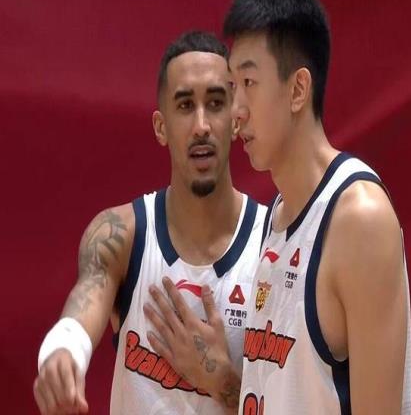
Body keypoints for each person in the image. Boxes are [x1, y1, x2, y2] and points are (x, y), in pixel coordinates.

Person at [146, 0, 411, 414]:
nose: (236, 111)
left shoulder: (358, 218)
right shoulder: (279, 216)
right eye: (233, 87)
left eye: (249, 82)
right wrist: (221, 379)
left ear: (298, 89)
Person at [33, 30, 267, 415]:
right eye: (185, 105)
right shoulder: (121, 235)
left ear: (235, 120)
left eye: (215, 103)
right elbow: (81, 311)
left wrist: (222, 379)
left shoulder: (274, 243)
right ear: (161, 127)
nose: (202, 125)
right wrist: (63, 351)